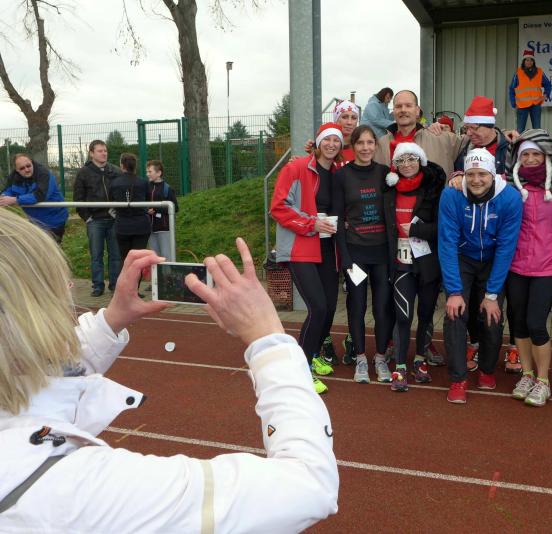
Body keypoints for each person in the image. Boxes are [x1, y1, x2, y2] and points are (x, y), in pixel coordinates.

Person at [0, 209, 338, 531]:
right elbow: (307, 486)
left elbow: (28, 370)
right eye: (60, 288)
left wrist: (112, 319)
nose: (71, 291)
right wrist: (267, 337)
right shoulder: (82, 492)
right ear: (28, 316)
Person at [438, 148, 522, 404]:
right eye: (471, 174)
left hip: (493, 259)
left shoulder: (510, 197)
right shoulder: (451, 194)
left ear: (493, 174)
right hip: (463, 257)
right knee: (454, 313)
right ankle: (458, 378)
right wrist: (454, 291)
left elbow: (507, 247)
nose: (476, 180)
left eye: (482, 174)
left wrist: (492, 294)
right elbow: (447, 242)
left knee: (491, 314)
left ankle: (487, 368)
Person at [271, 123, 343, 395]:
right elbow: (278, 207)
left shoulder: (337, 172)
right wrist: (312, 223)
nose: (332, 144)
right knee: (318, 308)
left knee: (330, 308)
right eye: (327, 139)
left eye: (336, 140)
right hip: (301, 247)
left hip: (328, 249)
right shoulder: (297, 168)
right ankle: (301, 370)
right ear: (318, 142)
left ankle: (311, 355)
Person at [504, 131, 552, 407]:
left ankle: (543, 380)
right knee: (518, 323)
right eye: (525, 154)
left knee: (536, 324)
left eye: (535, 154)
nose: (529, 159)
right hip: (516, 266)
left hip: (546, 267)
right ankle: (527, 374)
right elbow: (478, 180)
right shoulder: (510, 188)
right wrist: (457, 175)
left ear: (546, 155)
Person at [332, 125, 394, 385]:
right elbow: (338, 219)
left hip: (382, 255)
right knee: (356, 306)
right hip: (356, 255)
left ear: (376, 146)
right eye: (361, 143)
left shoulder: (385, 173)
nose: (366, 148)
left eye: (370, 143)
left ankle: (380, 357)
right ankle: (359, 358)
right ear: (353, 146)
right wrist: (345, 256)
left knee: (382, 307)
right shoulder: (342, 176)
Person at [382, 143, 446, 392]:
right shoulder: (388, 191)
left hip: (428, 264)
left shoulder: (433, 190)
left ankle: (420, 359)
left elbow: (444, 227)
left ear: (421, 161)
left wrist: (417, 230)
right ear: (395, 166)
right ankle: (399, 366)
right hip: (401, 264)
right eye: (401, 160)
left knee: (426, 314)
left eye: (412, 159)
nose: (407, 164)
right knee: (403, 316)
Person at [74, 140, 122, 297]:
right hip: (95, 221)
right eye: (100, 151)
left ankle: (115, 285)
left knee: (116, 255)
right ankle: (98, 286)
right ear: (91, 153)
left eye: (105, 150)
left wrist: (118, 211)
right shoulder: (83, 173)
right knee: (96, 255)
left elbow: (122, 193)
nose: (104, 153)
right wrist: (87, 217)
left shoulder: (115, 171)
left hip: (114, 220)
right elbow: (78, 198)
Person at [375, 90, 461, 177]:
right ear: (393, 111)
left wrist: (460, 176)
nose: (403, 110)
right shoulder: (380, 145)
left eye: (408, 105)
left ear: (417, 111)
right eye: (398, 106)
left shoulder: (442, 138)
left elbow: (468, 148)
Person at [1, 154, 68, 244]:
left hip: (54, 219)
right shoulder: (13, 177)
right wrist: (4, 197)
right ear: (17, 170)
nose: (27, 169)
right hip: (34, 220)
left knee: (50, 248)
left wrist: (15, 200)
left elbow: (40, 195)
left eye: (28, 166)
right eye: (22, 168)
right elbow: (8, 191)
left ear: (32, 162)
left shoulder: (43, 174)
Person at [109, 153, 151, 264]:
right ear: (135, 166)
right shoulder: (143, 182)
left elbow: (111, 200)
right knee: (138, 259)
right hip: (141, 225)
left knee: (125, 259)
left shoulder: (114, 183)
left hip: (122, 225)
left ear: (122, 166)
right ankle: (137, 276)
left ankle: (127, 275)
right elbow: (148, 200)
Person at [508, 49, 551, 131]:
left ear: (533, 62)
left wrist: (546, 95)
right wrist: (514, 103)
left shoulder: (539, 72)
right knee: (520, 130)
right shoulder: (518, 73)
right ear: (524, 61)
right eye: (527, 60)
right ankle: (519, 140)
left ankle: (537, 140)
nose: (529, 62)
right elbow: (511, 89)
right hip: (522, 105)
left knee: (537, 129)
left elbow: (548, 84)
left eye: (531, 60)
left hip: (536, 104)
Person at [145, 160, 179, 259]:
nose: (147, 174)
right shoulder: (146, 187)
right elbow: (143, 204)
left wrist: (156, 209)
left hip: (164, 229)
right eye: (147, 172)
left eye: (150, 172)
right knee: (154, 258)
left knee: (166, 257)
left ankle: (168, 270)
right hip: (150, 229)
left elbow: (175, 208)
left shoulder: (167, 188)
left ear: (159, 173)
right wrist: (146, 210)